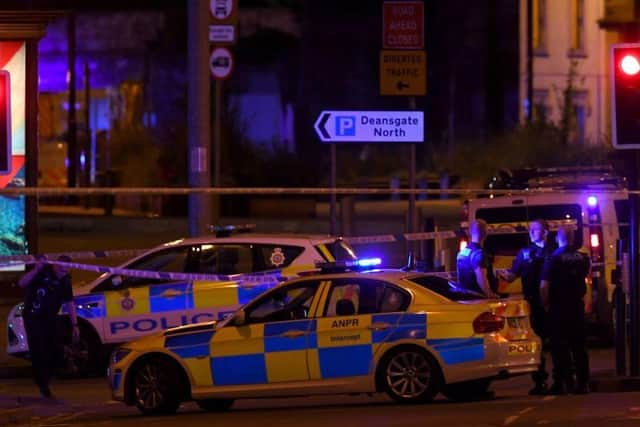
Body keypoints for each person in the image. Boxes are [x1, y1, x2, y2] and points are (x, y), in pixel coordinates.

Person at [499, 219, 555, 395]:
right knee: (537, 343)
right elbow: (512, 276)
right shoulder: (524, 253)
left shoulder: (554, 250)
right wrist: (500, 275)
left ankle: (562, 379)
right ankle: (540, 381)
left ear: (545, 232)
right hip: (533, 303)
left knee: (557, 343)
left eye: (535, 229)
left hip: (553, 303)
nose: (531, 232)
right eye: (530, 229)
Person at [18, 254, 78, 399]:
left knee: (56, 350)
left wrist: (75, 324)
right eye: (61, 270)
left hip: (50, 318)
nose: (62, 274)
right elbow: (22, 283)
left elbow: (70, 303)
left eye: (66, 271)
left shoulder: (65, 281)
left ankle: (51, 374)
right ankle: (43, 385)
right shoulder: (42, 273)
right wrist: (36, 269)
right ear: (55, 265)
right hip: (33, 318)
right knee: (39, 351)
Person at [540, 225, 591, 395]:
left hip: (558, 307)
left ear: (557, 238)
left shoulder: (553, 258)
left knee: (560, 347)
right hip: (576, 306)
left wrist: (546, 305)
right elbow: (584, 279)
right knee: (579, 347)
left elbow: (544, 286)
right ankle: (583, 383)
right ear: (573, 238)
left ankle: (565, 382)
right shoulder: (583, 258)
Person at [456, 219, 500, 298]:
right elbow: (481, 278)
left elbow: (459, 277)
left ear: (470, 233)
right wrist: (490, 295)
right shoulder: (479, 254)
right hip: (478, 298)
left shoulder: (462, 253)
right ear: (486, 233)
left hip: (465, 298)